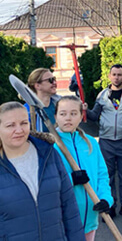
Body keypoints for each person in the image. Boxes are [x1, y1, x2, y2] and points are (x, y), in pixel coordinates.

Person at [0, 101, 85, 240]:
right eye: (10, 125)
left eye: (24, 123)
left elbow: (69, 207)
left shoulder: (48, 154)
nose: (19, 130)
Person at [54, 96, 113, 241]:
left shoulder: (90, 142)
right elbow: (47, 182)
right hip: (63, 220)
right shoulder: (51, 146)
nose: (68, 118)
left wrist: (105, 198)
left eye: (74, 113)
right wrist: (71, 179)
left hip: (89, 218)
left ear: (81, 116)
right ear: (55, 116)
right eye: (63, 114)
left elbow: (102, 174)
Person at [83, 64, 122, 219]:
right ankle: (111, 205)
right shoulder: (102, 95)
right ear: (109, 76)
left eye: (120, 74)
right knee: (108, 175)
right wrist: (85, 110)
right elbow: (94, 116)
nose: (117, 77)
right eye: (114, 74)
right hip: (106, 141)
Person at [25, 68, 61, 132]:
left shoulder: (60, 103)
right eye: (50, 80)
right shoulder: (27, 110)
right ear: (37, 86)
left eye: (54, 79)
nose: (54, 82)